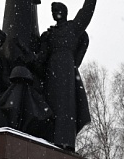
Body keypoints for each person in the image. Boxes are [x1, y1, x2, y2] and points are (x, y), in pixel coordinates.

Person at [38, 0, 96, 151]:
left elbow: (86, 12)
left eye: (57, 9)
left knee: (66, 107)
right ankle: (49, 138)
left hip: (66, 71)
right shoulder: (48, 34)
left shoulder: (73, 28)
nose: (55, 12)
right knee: (51, 105)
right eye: (53, 10)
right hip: (51, 73)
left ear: (65, 12)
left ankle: (66, 141)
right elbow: (40, 59)